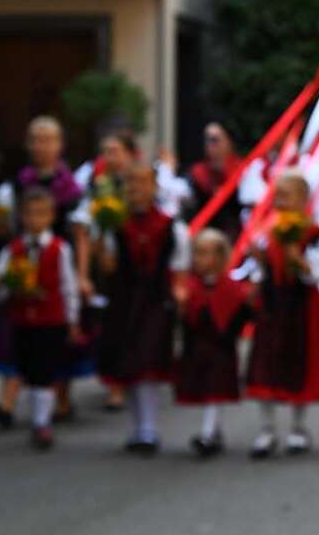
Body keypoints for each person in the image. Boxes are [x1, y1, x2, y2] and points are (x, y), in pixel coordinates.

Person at [0, 117, 83, 428]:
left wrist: (83, 274)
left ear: (60, 145)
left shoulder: (72, 187)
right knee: (14, 339)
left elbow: (81, 232)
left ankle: (57, 402)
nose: (41, 146)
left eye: (48, 140)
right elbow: (3, 231)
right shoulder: (15, 185)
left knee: (54, 343)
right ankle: (9, 402)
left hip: (55, 269)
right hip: (21, 265)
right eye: (35, 139)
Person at [243, 171, 319, 459]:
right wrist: (258, 261)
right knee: (266, 365)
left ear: (303, 200)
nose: (280, 202)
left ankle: (298, 428)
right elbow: (261, 270)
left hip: (301, 306)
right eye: (278, 196)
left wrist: (300, 262)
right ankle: (266, 429)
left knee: (300, 363)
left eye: (287, 196)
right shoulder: (267, 230)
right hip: (273, 306)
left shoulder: (314, 234)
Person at [96, 163, 190, 455]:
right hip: (125, 300)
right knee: (130, 362)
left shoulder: (172, 226)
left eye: (142, 183)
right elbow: (108, 267)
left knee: (148, 361)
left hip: (155, 300)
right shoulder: (117, 225)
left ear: (154, 187)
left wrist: (180, 296)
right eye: (131, 184)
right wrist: (101, 231)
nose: (136, 190)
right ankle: (138, 428)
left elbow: (179, 267)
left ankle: (149, 429)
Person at [0, 188, 80, 449]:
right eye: (29, 215)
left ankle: (42, 423)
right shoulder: (13, 249)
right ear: (22, 218)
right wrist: (0, 287)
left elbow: (68, 286)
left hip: (50, 321)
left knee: (44, 370)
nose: (35, 220)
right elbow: (2, 282)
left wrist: (71, 319)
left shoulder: (59, 249)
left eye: (41, 214)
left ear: (51, 217)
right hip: (22, 320)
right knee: (27, 367)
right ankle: (37, 415)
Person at [70, 128, 140, 412]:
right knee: (110, 323)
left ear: (130, 154)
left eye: (115, 151)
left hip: (136, 263)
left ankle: (132, 374)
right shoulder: (98, 186)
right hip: (106, 266)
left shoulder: (141, 183)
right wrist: (84, 272)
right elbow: (83, 228)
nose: (109, 158)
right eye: (106, 152)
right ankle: (115, 384)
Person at [173, 229, 253, 458]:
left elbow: (244, 313)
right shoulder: (189, 287)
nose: (199, 259)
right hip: (197, 348)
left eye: (205, 254)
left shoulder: (232, 287)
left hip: (221, 348)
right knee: (207, 389)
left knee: (215, 389)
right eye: (196, 253)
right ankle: (214, 431)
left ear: (221, 257)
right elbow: (185, 318)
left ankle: (208, 434)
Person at [185, 123, 243, 241]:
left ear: (229, 142)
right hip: (204, 237)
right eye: (206, 140)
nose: (209, 145)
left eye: (214, 140)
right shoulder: (196, 173)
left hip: (236, 239)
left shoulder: (243, 171)